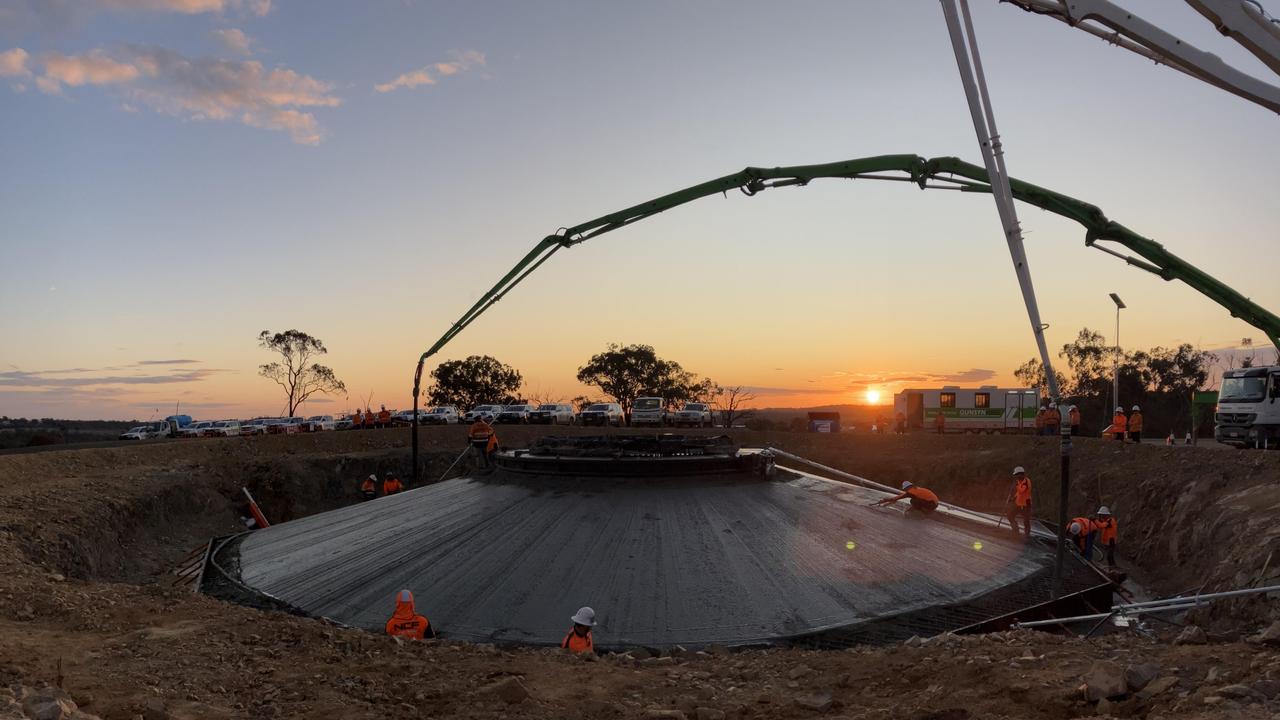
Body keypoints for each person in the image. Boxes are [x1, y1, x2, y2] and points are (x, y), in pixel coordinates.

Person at [873, 481, 939, 515]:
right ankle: (925, 511)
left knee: (913, 501)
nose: (905, 490)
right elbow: (898, 497)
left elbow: (896, 498)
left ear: (907, 487)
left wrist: (884, 500)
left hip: (931, 504)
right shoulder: (916, 489)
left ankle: (925, 512)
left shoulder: (911, 492)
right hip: (934, 503)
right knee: (914, 501)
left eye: (905, 489)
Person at [1006, 466, 1033, 537]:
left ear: (1021, 474)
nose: (1016, 477)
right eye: (1016, 475)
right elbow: (1018, 493)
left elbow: (1022, 491)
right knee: (1010, 515)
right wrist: (1012, 499)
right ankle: (1015, 530)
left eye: (1017, 475)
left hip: (1026, 504)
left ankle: (1027, 535)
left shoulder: (1026, 481)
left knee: (1026, 520)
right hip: (1018, 504)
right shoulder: (1019, 481)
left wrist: (1016, 486)